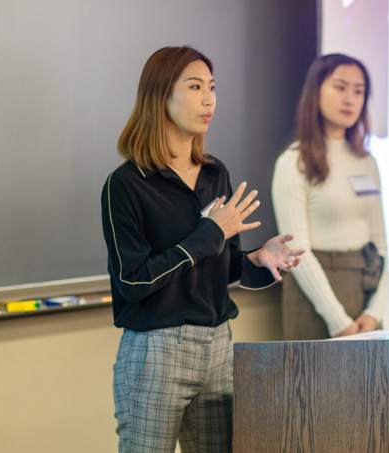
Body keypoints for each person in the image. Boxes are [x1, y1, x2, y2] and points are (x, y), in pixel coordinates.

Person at [101, 45, 305, 452]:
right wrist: (208, 232)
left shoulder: (215, 173)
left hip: (218, 346)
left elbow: (222, 267)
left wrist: (258, 259)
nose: (209, 98)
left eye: (212, 87)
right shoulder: (126, 184)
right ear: (161, 96)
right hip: (156, 351)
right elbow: (133, 282)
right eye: (195, 87)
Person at [271, 53, 387, 340]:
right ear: (316, 92)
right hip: (315, 299)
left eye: (358, 91)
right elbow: (298, 252)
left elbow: (380, 242)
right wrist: (339, 322)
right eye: (340, 87)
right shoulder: (293, 162)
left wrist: (375, 311)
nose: (350, 99)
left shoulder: (367, 161)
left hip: (364, 294)